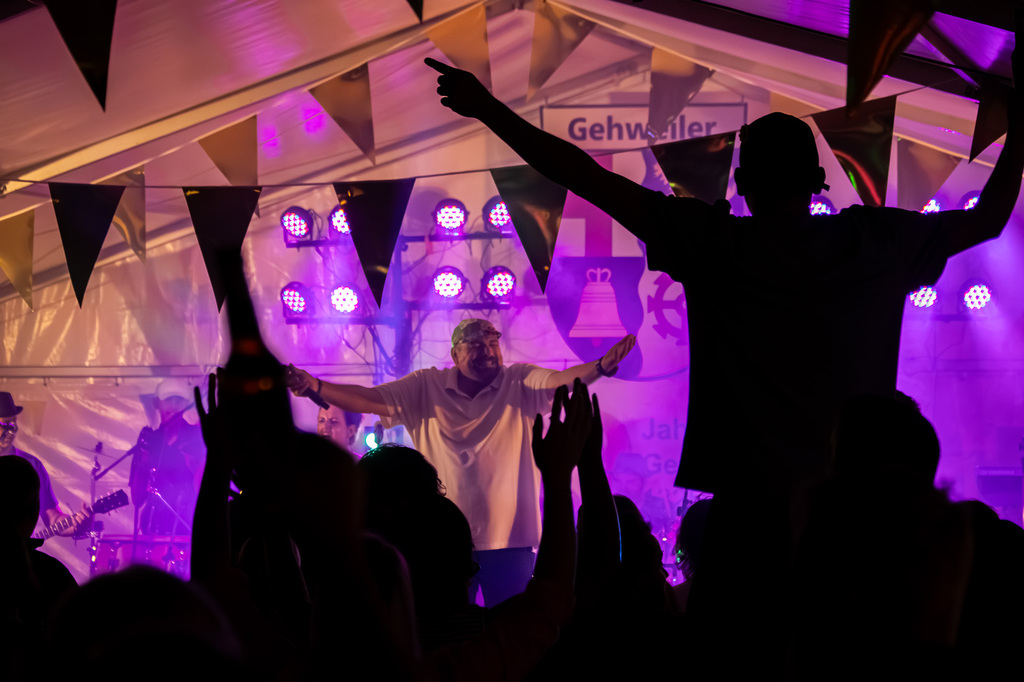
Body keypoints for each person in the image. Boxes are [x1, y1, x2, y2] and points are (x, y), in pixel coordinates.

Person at [426, 41, 1024, 673]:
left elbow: (585, 176)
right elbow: (987, 219)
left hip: (745, 519)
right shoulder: (874, 242)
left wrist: (488, 109)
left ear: (740, 183)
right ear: (818, 181)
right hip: (855, 519)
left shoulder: (714, 242)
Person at [288, 318, 635, 605]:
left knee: (514, 634)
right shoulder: (426, 386)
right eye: (477, 345)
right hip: (443, 542)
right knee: (448, 632)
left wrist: (600, 367)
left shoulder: (518, 380)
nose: (488, 351)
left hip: (511, 540)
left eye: (493, 343)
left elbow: (560, 381)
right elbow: (370, 398)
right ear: (455, 354)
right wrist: (316, 385)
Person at [0, 391, 86, 536]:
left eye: (14, 423)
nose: (12, 430)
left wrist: (76, 525)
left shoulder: (32, 466)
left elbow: (52, 518)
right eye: (5, 424)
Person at [129, 379, 206, 535]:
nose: (173, 405)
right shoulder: (149, 440)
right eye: (168, 399)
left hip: (188, 528)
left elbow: (206, 489)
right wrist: (144, 458)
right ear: (158, 403)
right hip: (152, 530)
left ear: (186, 404)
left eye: (179, 400)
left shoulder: (197, 436)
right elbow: (137, 499)